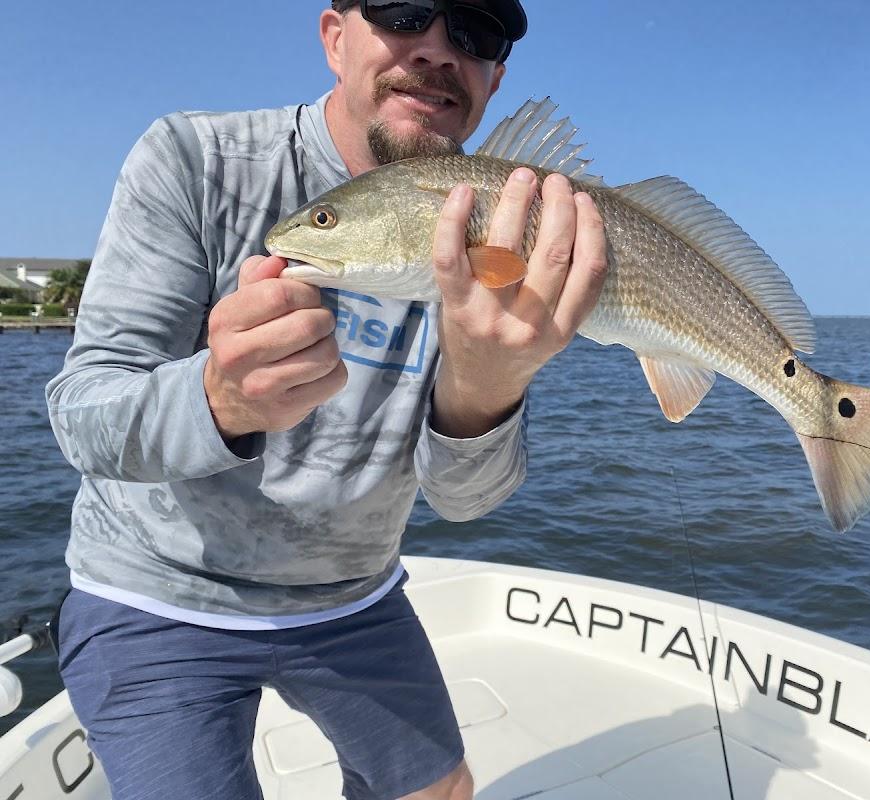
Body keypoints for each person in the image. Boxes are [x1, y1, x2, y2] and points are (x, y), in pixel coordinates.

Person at [44, 1, 607, 798]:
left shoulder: (510, 234)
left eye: (474, 33)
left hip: (354, 597)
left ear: (494, 79)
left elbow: (464, 501)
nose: (438, 50)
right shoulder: (194, 159)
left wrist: (487, 386)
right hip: (152, 591)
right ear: (334, 36)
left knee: (441, 791)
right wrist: (218, 400)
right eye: (405, 11)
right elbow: (81, 415)